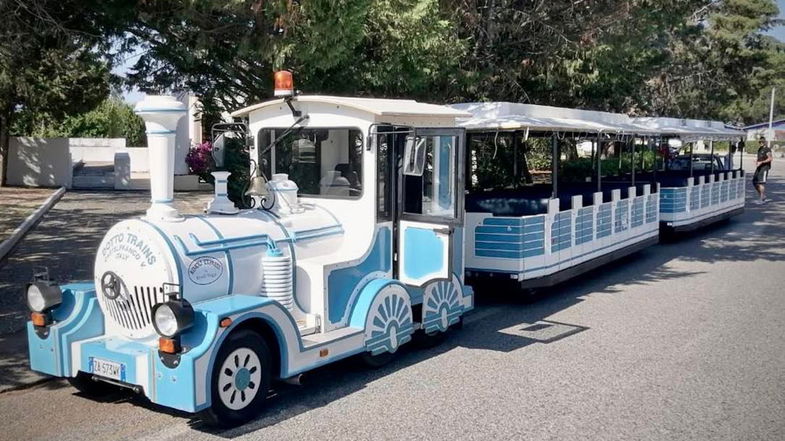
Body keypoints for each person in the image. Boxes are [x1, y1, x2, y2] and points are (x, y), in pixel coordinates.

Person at [753, 136, 773, 204]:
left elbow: (770, 158)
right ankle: (762, 195)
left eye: (762, 142)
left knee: (761, 183)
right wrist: (756, 161)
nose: (761, 143)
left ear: (765, 142)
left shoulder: (767, 149)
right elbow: (759, 158)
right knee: (754, 182)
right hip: (759, 167)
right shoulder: (760, 149)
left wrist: (762, 162)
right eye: (760, 142)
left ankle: (761, 198)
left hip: (764, 168)